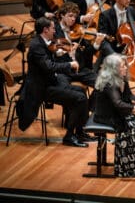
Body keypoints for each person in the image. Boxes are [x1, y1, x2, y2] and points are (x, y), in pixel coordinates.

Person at [16, 17, 90, 147]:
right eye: (53, 28)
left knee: (82, 91)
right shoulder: (36, 46)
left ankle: (79, 132)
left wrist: (61, 53)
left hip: (50, 82)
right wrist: (69, 64)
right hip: (41, 89)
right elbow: (49, 66)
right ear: (45, 30)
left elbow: (50, 60)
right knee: (79, 98)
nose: (55, 31)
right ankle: (69, 136)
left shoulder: (45, 42)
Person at [97, 0, 135, 72]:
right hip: (112, 51)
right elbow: (103, 41)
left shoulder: (131, 10)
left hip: (130, 52)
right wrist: (114, 56)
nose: (129, 0)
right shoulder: (105, 15)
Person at [54, 1, 102, 88]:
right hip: (63, 71)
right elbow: (54, 54)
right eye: (70, 16)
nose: (73, 19)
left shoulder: (78, 30)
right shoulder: (54, 30)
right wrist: (68, 50)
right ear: (62, 15)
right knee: (67, 91)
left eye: (75, 17)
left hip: (80, 70)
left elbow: (87, 52)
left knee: (104, 85)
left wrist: (96, 44)